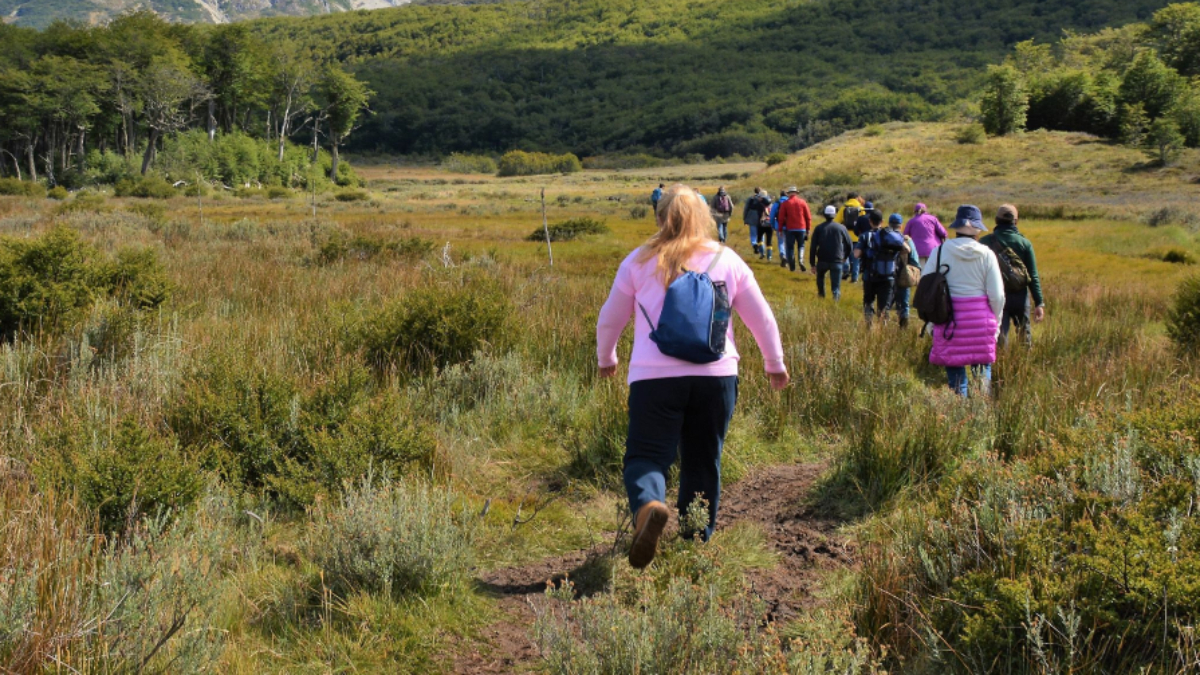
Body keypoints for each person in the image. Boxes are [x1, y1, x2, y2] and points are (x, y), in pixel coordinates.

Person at [596, 184, 789, 568]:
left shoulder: (638, 261)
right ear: (706, 218)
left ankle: (649, 506)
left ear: (659, 217)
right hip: (716, 377)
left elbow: (610, 319)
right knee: (703, 459)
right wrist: (774, 363)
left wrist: (607, 357)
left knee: (647, 455)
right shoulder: (727, 259)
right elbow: (762, 318)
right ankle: (694, 539)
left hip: (653, 379)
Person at [922, 205, 1005, 397]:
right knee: (982, 377)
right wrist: (996, 324)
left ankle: (960, 410)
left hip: (948, 322)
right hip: (981, 324)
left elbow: (925, 290)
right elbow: (998, 295)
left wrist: (931, 324)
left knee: (956, 380)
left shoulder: (939, 252)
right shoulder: (987, 254)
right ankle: (982, 409)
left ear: (956, 227)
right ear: (978, 229)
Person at [979, 204, 1046, 347]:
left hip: (996, 296)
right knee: (1024, 337)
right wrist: (1039, 303)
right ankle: (1024, 360)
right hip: (1021, 296)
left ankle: (1002, 361)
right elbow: (1033, 276)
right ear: (1015, 221)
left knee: (1000, 337)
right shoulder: (1025, 243)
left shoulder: (984, 242)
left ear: (996, 220)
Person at [854, 210, 898, 324]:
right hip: (888, 276)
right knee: (884, 306)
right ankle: (883, 327)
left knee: (868, 302)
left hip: (870, 276)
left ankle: (869, 326)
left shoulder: (865, 236)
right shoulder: (890, 235)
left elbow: (856, 254)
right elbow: (905, 249)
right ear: (882, 221)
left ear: (870, 221)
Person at [809, 205, 853, 300]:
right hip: (837, 260)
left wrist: (812, 264)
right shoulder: (841, 228)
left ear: (824, 214)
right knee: (836, 287)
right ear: (835, 214)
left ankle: (821, 296)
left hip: (822, 259)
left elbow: (813, 247)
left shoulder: (819, 228)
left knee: (820, 279)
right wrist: (845, 257)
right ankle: (835, 301)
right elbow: (849, 245)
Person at [888, 213, 919, 328]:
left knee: (886, 303)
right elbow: (915, 260)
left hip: (886, 274)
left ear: (889, 225)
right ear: (901, 226)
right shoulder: (907, 240)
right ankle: (903, 327)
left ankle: (882, 326)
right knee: (904, 303)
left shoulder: (884, 238)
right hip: (903, 275)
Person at [776, 186, 811, 272]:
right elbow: (808, 217)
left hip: (790, 228)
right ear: (796, 193)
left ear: (789, 194)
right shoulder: (803, 202)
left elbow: (781, 218)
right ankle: (801, 260)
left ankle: (792, 266)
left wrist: (780, 229)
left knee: (790, 247)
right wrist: (808, 229)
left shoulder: (785, 203)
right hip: (801, 228)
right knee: (801, 245)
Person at [836, 194, 866, 282]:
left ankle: (846, 269)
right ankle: (855, 278)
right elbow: (864, 222)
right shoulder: (861, 208)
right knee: (856, 258)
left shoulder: (843, 208)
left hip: (845, 236)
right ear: (856, 198)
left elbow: (836, 222)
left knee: (844, 255)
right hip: (857, 237)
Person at [743, 188, 770, 255]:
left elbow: (746, 209)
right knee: (761, 235)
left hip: (752, 218)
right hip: (762, 218)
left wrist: (745, 219)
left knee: (753, 235)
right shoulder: (766, 199)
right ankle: (762, 251)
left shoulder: (751, 199)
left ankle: (755, 245)